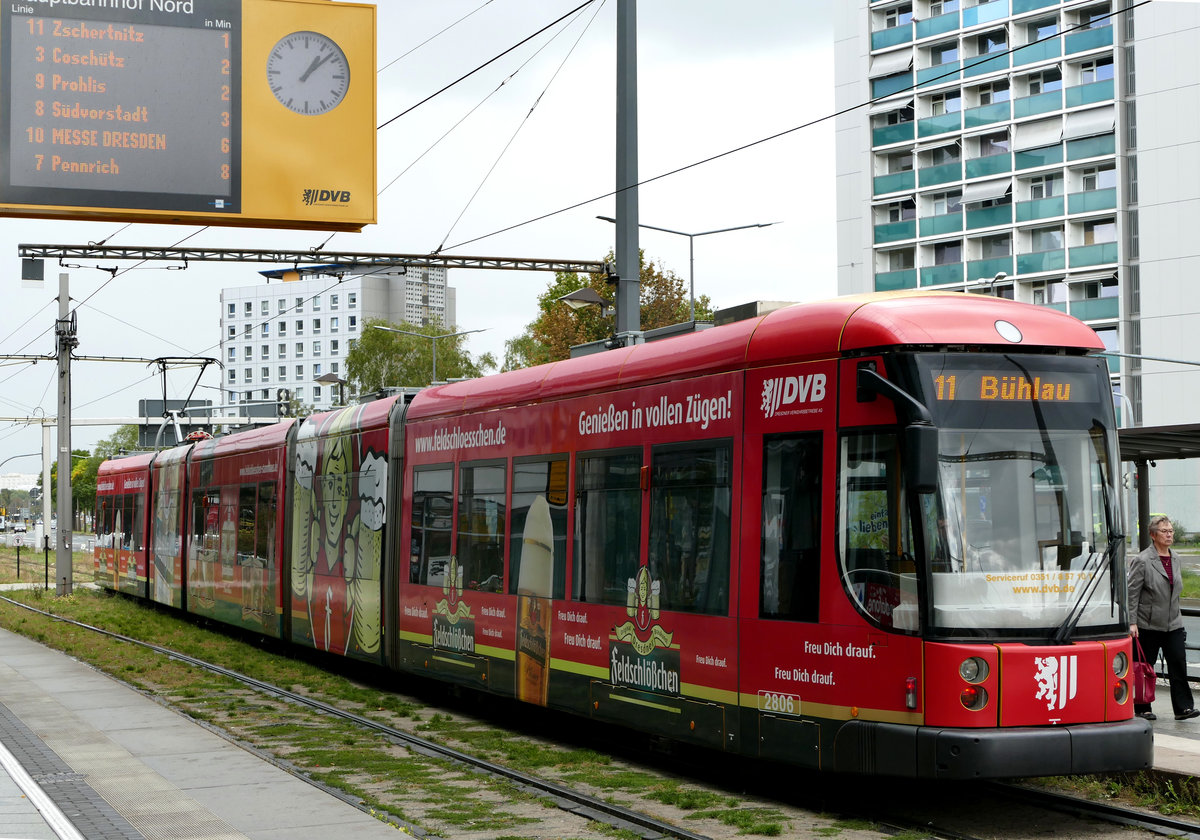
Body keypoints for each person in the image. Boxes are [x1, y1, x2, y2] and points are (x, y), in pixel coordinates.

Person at [1128, 515, 1199, 721]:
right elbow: (1132, 594)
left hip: (1173, 624)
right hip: (1147, 624)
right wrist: (1132, 622)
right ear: (1153, 535)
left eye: (1171, 531)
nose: (1169, 534)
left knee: (1178, 663)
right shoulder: (1142, 560)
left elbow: (1174, 591)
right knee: (1144, 668)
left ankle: (1183, 708)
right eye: (1164, 531)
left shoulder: (1175, 558)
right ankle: (1143, 708)